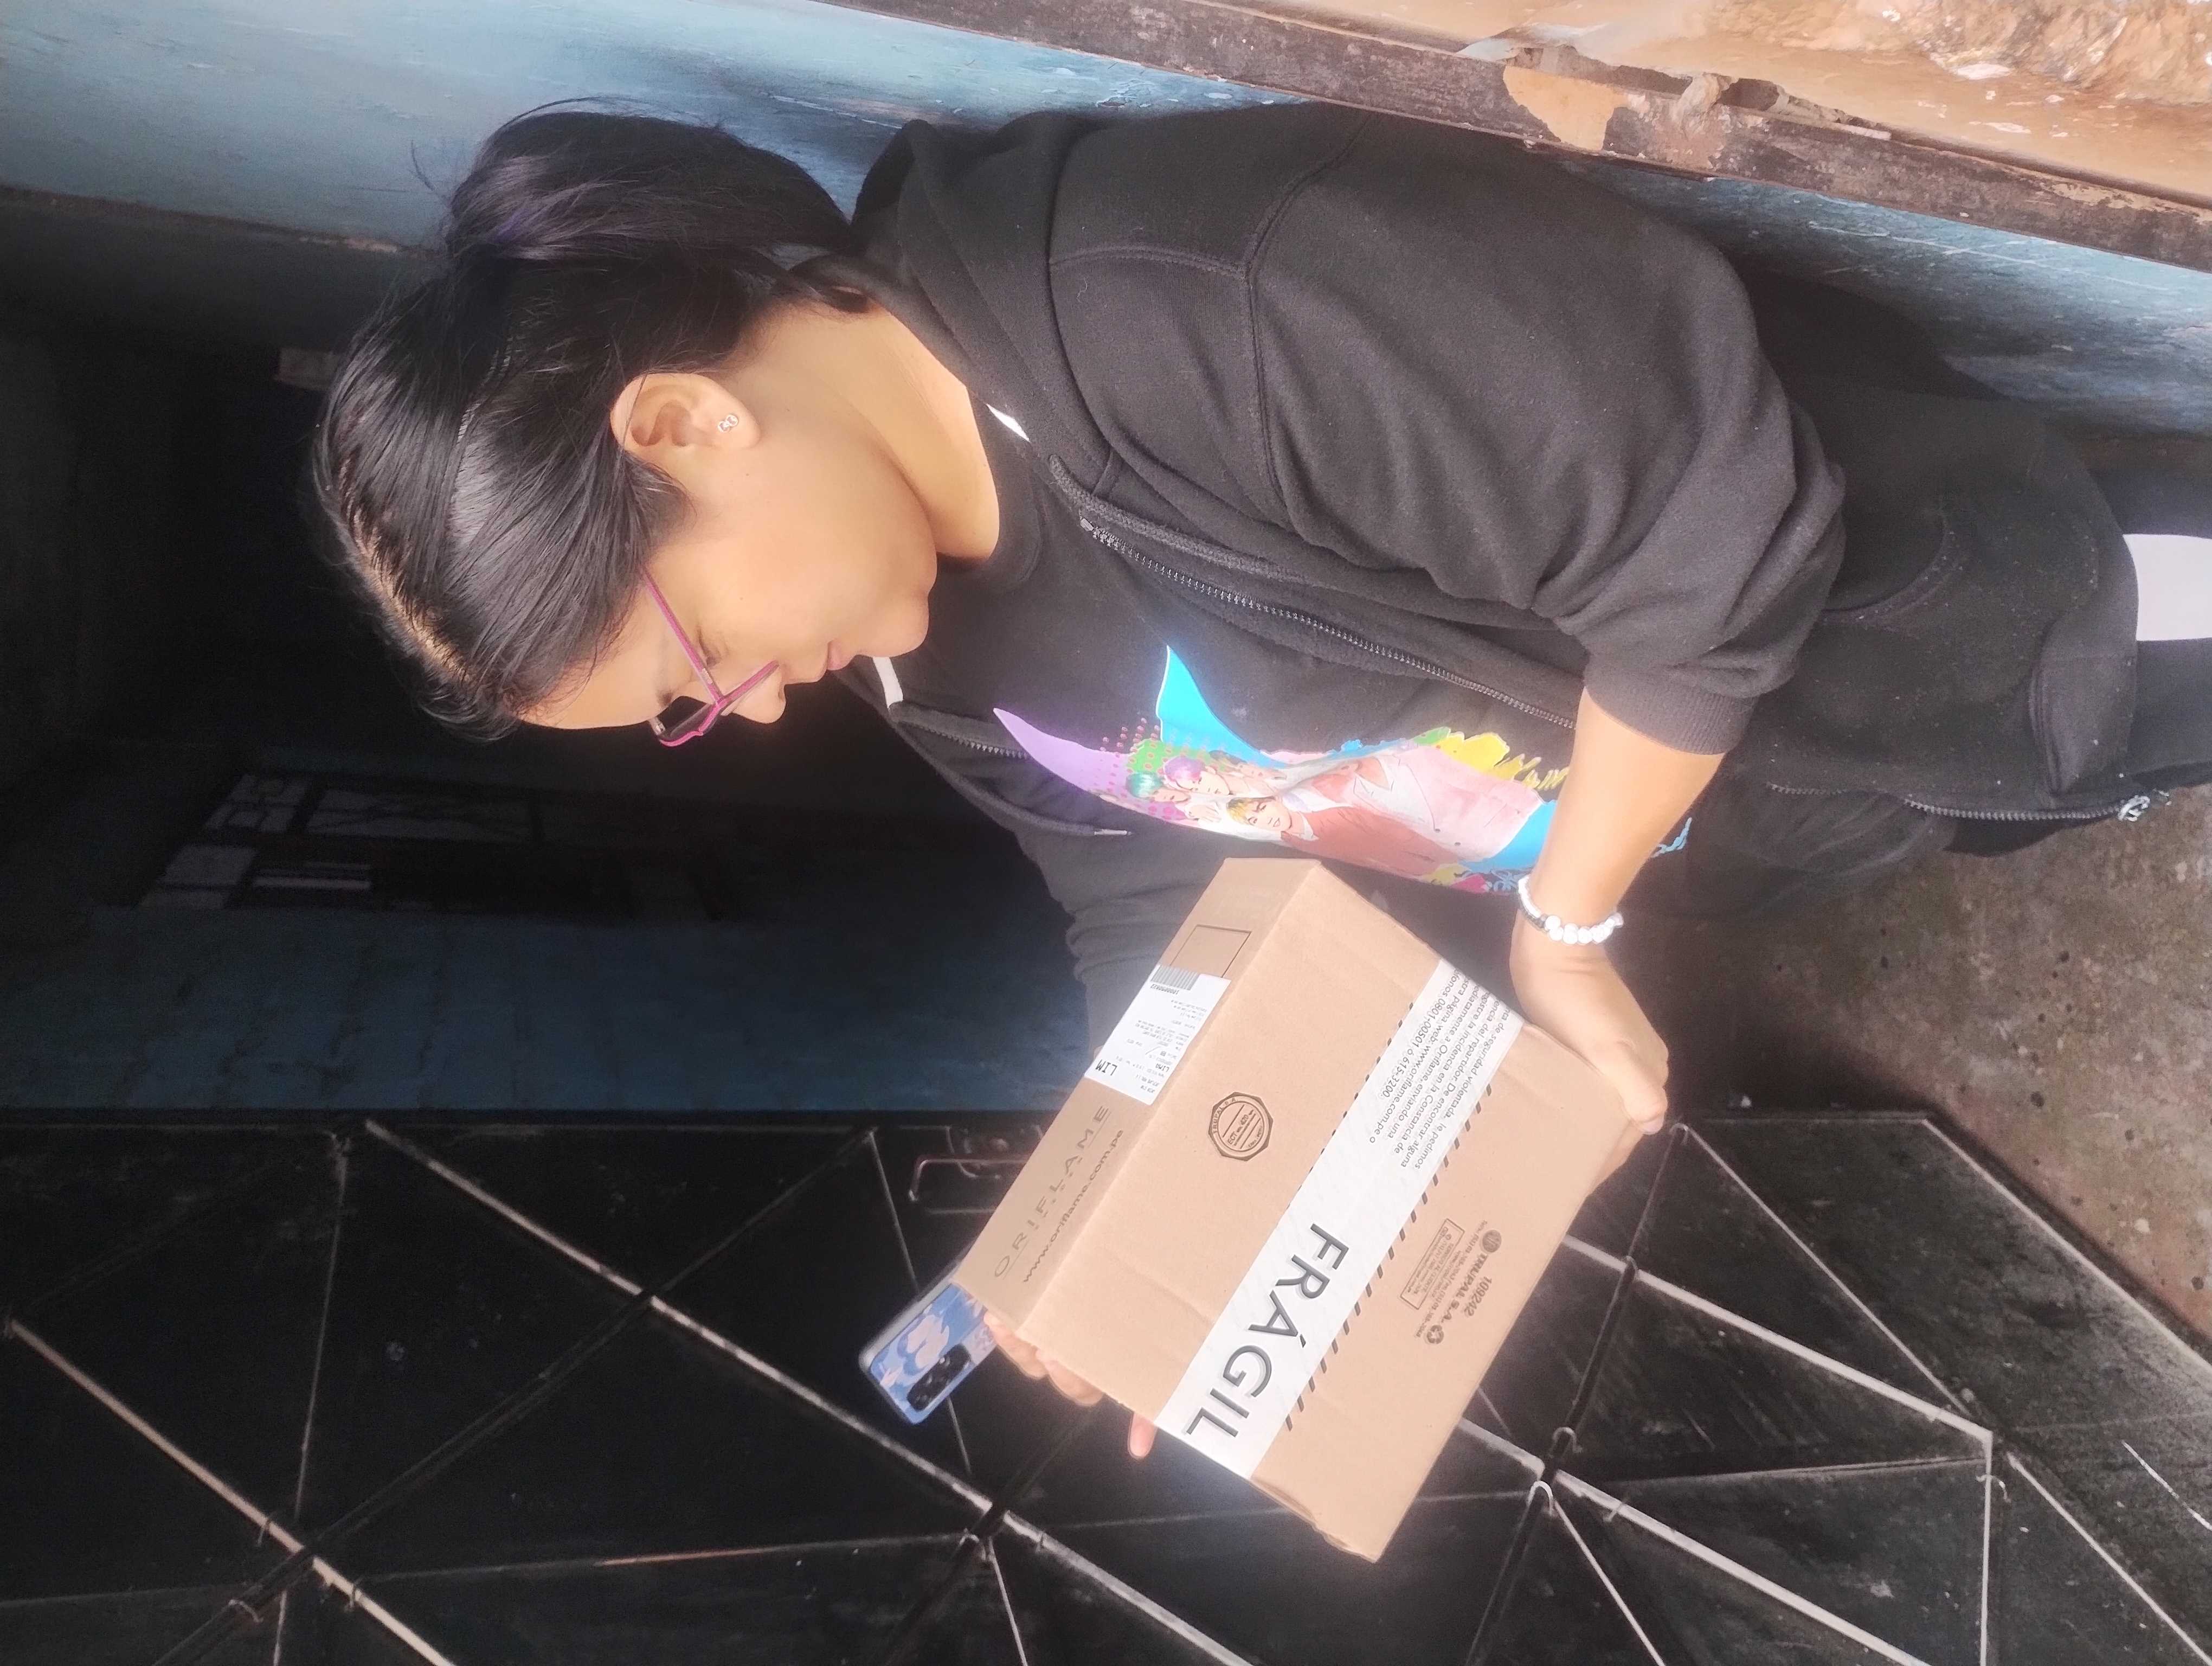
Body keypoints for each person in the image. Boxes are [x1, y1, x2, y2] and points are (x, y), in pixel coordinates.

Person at [314, 102, 2209, 1455]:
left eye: (693, 665)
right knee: (2063, 791)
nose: (745, 714)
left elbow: (1707, 545)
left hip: (1989, 621)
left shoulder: (1198, 297)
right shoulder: (916, 645)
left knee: (2143, 700)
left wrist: (1566, 926)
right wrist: (1138, 1210)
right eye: (690, 713)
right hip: (1810, 807)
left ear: (682, 421)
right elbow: (1147, 873)